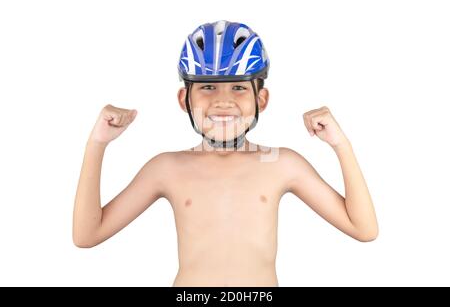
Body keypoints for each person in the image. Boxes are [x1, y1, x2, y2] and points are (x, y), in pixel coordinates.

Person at [73, 20, 378, 286]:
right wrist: (97, 144)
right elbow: (87, 235)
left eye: (238, 88)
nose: (223, 101)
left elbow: (363, 228)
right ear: (184, 99)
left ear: (262, 98)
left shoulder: (282, 164)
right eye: (207, 88)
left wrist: (341, 145)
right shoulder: (167, 168)